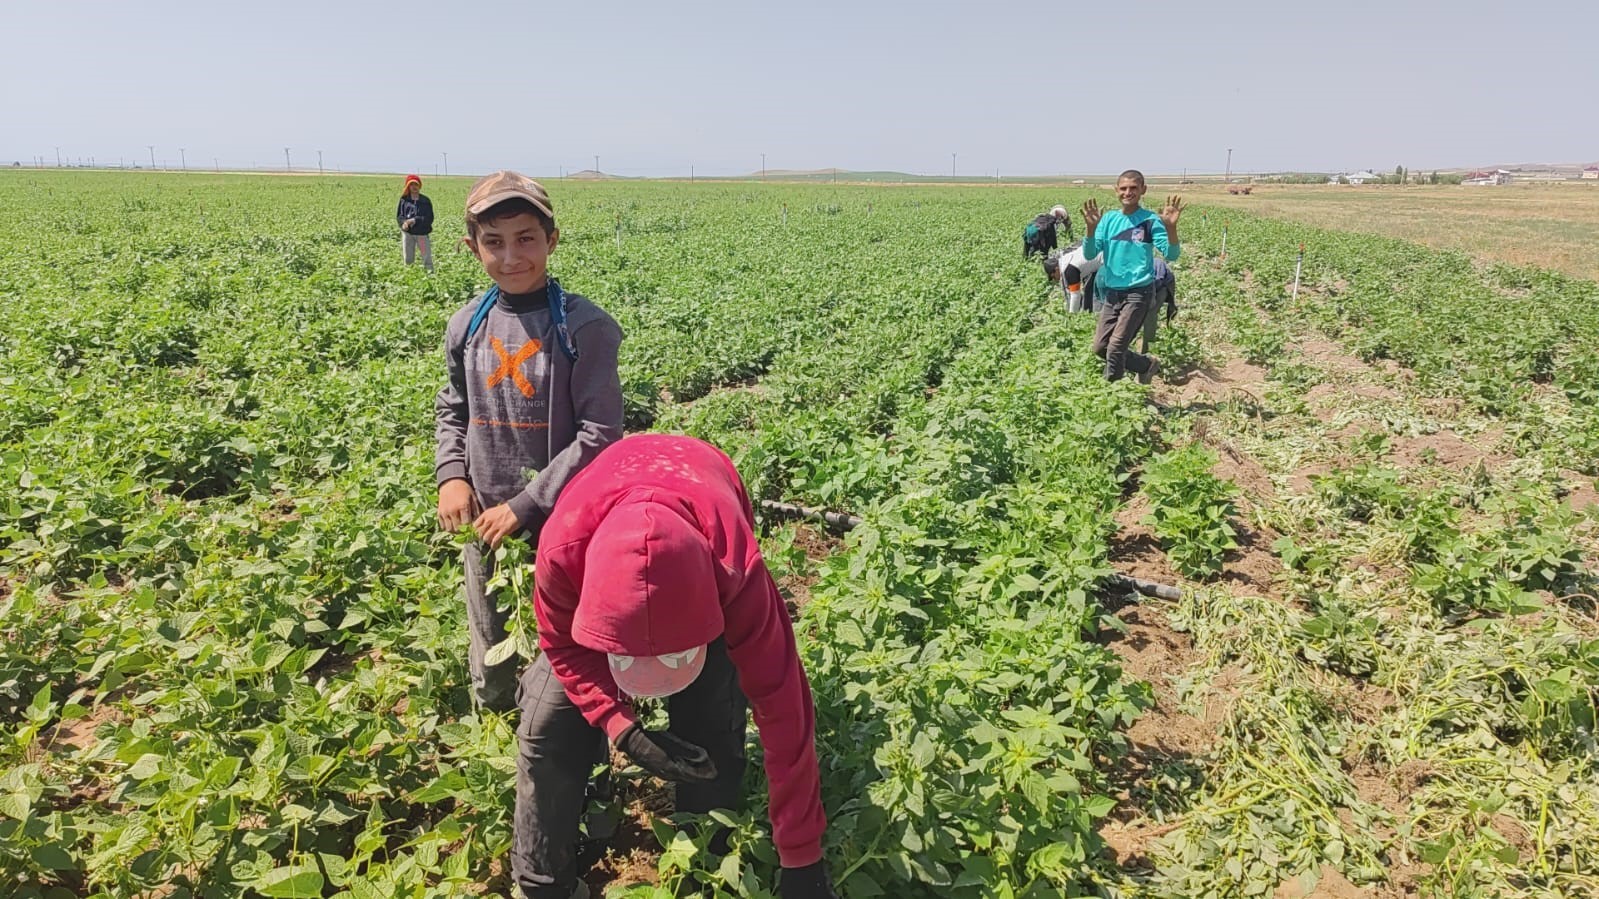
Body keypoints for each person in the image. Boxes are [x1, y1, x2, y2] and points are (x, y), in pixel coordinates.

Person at [515, 434, 836, 899]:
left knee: (712, 721)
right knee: (548, 726)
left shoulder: (734, 566)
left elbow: (783, 705)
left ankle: (704, 864)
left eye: (673, 658)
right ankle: (544, 883)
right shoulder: (563, 550)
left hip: (702, 481)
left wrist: (803, 860)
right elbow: (564, 649)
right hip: (599, 515)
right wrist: (621, 726)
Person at [435, 170, 624, 712]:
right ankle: (494, 733)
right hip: (485, 521)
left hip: (565, 522)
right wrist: (451, 475)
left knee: (565, 643)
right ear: (471, 248)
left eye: (526, 239)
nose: (511, 256)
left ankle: (568, 751)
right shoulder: (467, 324)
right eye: (493, 242)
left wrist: (527, 503)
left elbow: (600, 433)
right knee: (490, 634)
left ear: (552, 240)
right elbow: (453, 407)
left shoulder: (584, 328)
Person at [1081, 170, 1183, 384]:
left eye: (1134, 188)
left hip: (1139, 292)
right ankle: (1146, 365)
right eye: (1124, 188)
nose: (1128, 192)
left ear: (1143, 190)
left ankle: (1114, 396)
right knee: (1101, 348)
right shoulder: (1109, 220)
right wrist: (1090, 230)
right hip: (1113, 293)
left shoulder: (1150, 220)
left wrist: (1171, 228)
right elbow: (1090, 254)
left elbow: (1171, 254)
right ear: (1116, 190)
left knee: (1116, 348)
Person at [1043, 241, 1103, 313]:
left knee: (1095, 295)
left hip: (1103, 260)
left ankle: (1096, 315)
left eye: (1054, 277)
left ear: (1056, 269)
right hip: (1097, 257)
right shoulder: (1065, 261)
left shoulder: (1069, 270)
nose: (1055, 279)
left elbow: (1075, 295)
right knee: (1088, 290)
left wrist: (1072, 315)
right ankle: (1088, 313)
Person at [398, 174, 436, 271]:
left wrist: (414, 220)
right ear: (408, 186)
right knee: (408, 259)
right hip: (408, 234)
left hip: (421, 235)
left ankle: (430, 276)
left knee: (426, 257)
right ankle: (409, 275)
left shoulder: (425, 201)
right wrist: (403, 223)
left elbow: (429, 218)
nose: (414, 187)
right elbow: (400, 216)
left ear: (419, 186)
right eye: (412, 185)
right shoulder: (404, 200)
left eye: (416, 184)